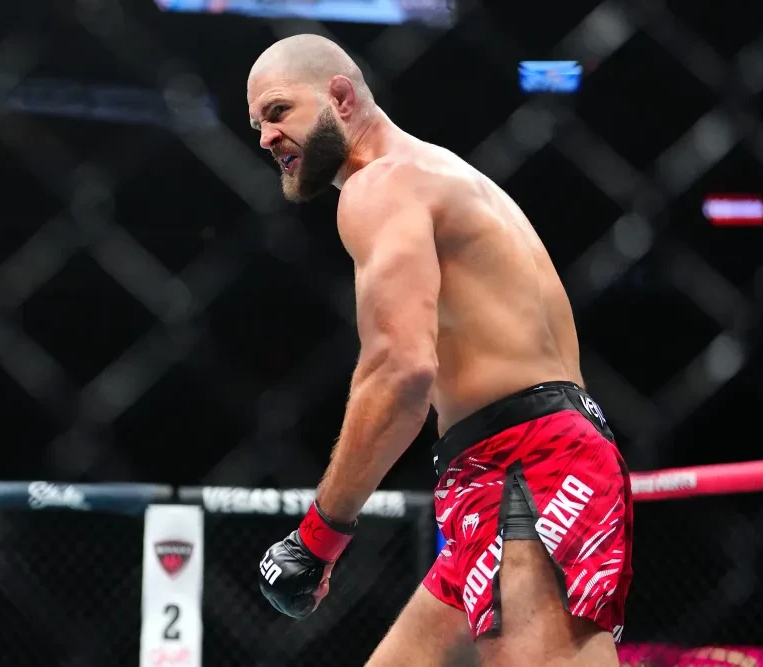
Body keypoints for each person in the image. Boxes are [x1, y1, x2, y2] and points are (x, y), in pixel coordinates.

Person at [248, 34, 633, 667]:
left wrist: (319, 536)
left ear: (341, 97)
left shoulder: (381, 186)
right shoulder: (442, 173)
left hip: (527, 467)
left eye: (279, 110)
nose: (265, 137)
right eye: (257, 122)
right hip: (511, 462)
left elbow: (401, 369)